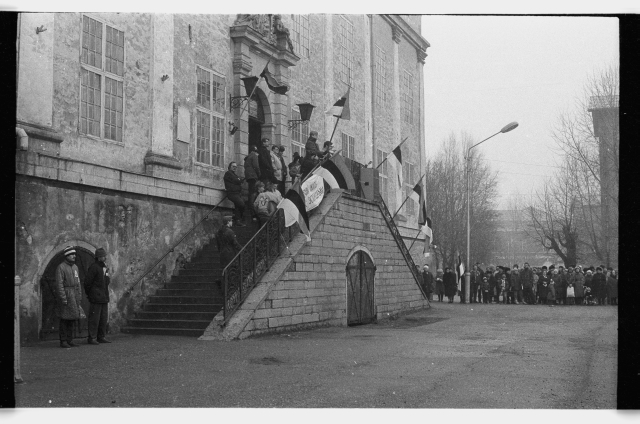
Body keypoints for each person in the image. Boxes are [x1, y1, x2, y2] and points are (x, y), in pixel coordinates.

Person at [55, 246, 84, 348]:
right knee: (64, 319)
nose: (74, 256)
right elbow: (59, 284)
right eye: (72, 254)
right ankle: (63, 341)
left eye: (74, 254)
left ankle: (70, 339)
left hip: (74, 295)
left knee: (72, 319)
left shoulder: (75, 267)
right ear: (67, 256)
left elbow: (78, 283)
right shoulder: (61, 267)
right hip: (67, 295)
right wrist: (63, 297)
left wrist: (79, 296)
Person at [84, 247, 111, 344]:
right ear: (99, 257)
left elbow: (107, 282)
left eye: (104, 256)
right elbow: (87, 283)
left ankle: (101, 336)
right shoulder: (94, 267)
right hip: (96, 297)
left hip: (104, 297)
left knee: (103, 319)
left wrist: (106, 273)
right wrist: (91, 294)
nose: (105, 258)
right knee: (94, 319)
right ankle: (92, 337)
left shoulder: (104, 268)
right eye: (103, 256)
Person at [223, 162, 246, 227]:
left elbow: (238, 180)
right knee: (241, 204)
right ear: (229, 167)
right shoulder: (228, 173)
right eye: (233, 166)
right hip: (232, 193)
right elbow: (237, 181)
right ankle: (237, 219)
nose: (235, 168)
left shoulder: (234, 174)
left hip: (237, 193)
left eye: (236, 167)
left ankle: (237, 220)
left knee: (238, 206)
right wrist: (239, 180)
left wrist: (238, 180)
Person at [244, 145, 261, 222]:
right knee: (253, 193)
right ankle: (252, 210)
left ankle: (250, 207)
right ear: (254, 151)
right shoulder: (254, 156)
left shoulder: (247, 157)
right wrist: (259, 174)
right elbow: (256, 166)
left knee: (250, 191)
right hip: (253, 175)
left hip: (248, 176)